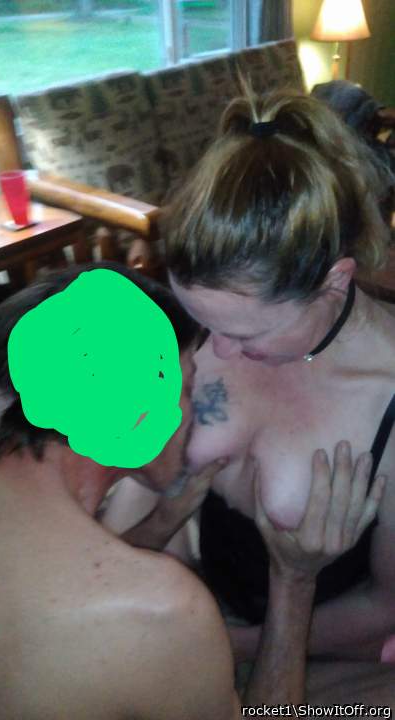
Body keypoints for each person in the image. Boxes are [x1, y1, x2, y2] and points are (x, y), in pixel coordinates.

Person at [0, 260, 390, 718]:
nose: (193, 416)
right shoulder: (163, 609)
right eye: (188, 388)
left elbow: (57, 591)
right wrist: (293, 581)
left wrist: (162, 521)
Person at [158, 86, 395, 671]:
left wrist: (222, 643)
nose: (216, 350)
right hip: (182, 618)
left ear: (335, 282)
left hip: (324, 656)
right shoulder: (212, 326)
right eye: (203, 321)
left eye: (246, 334)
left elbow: (384, 609)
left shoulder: (387, 393)